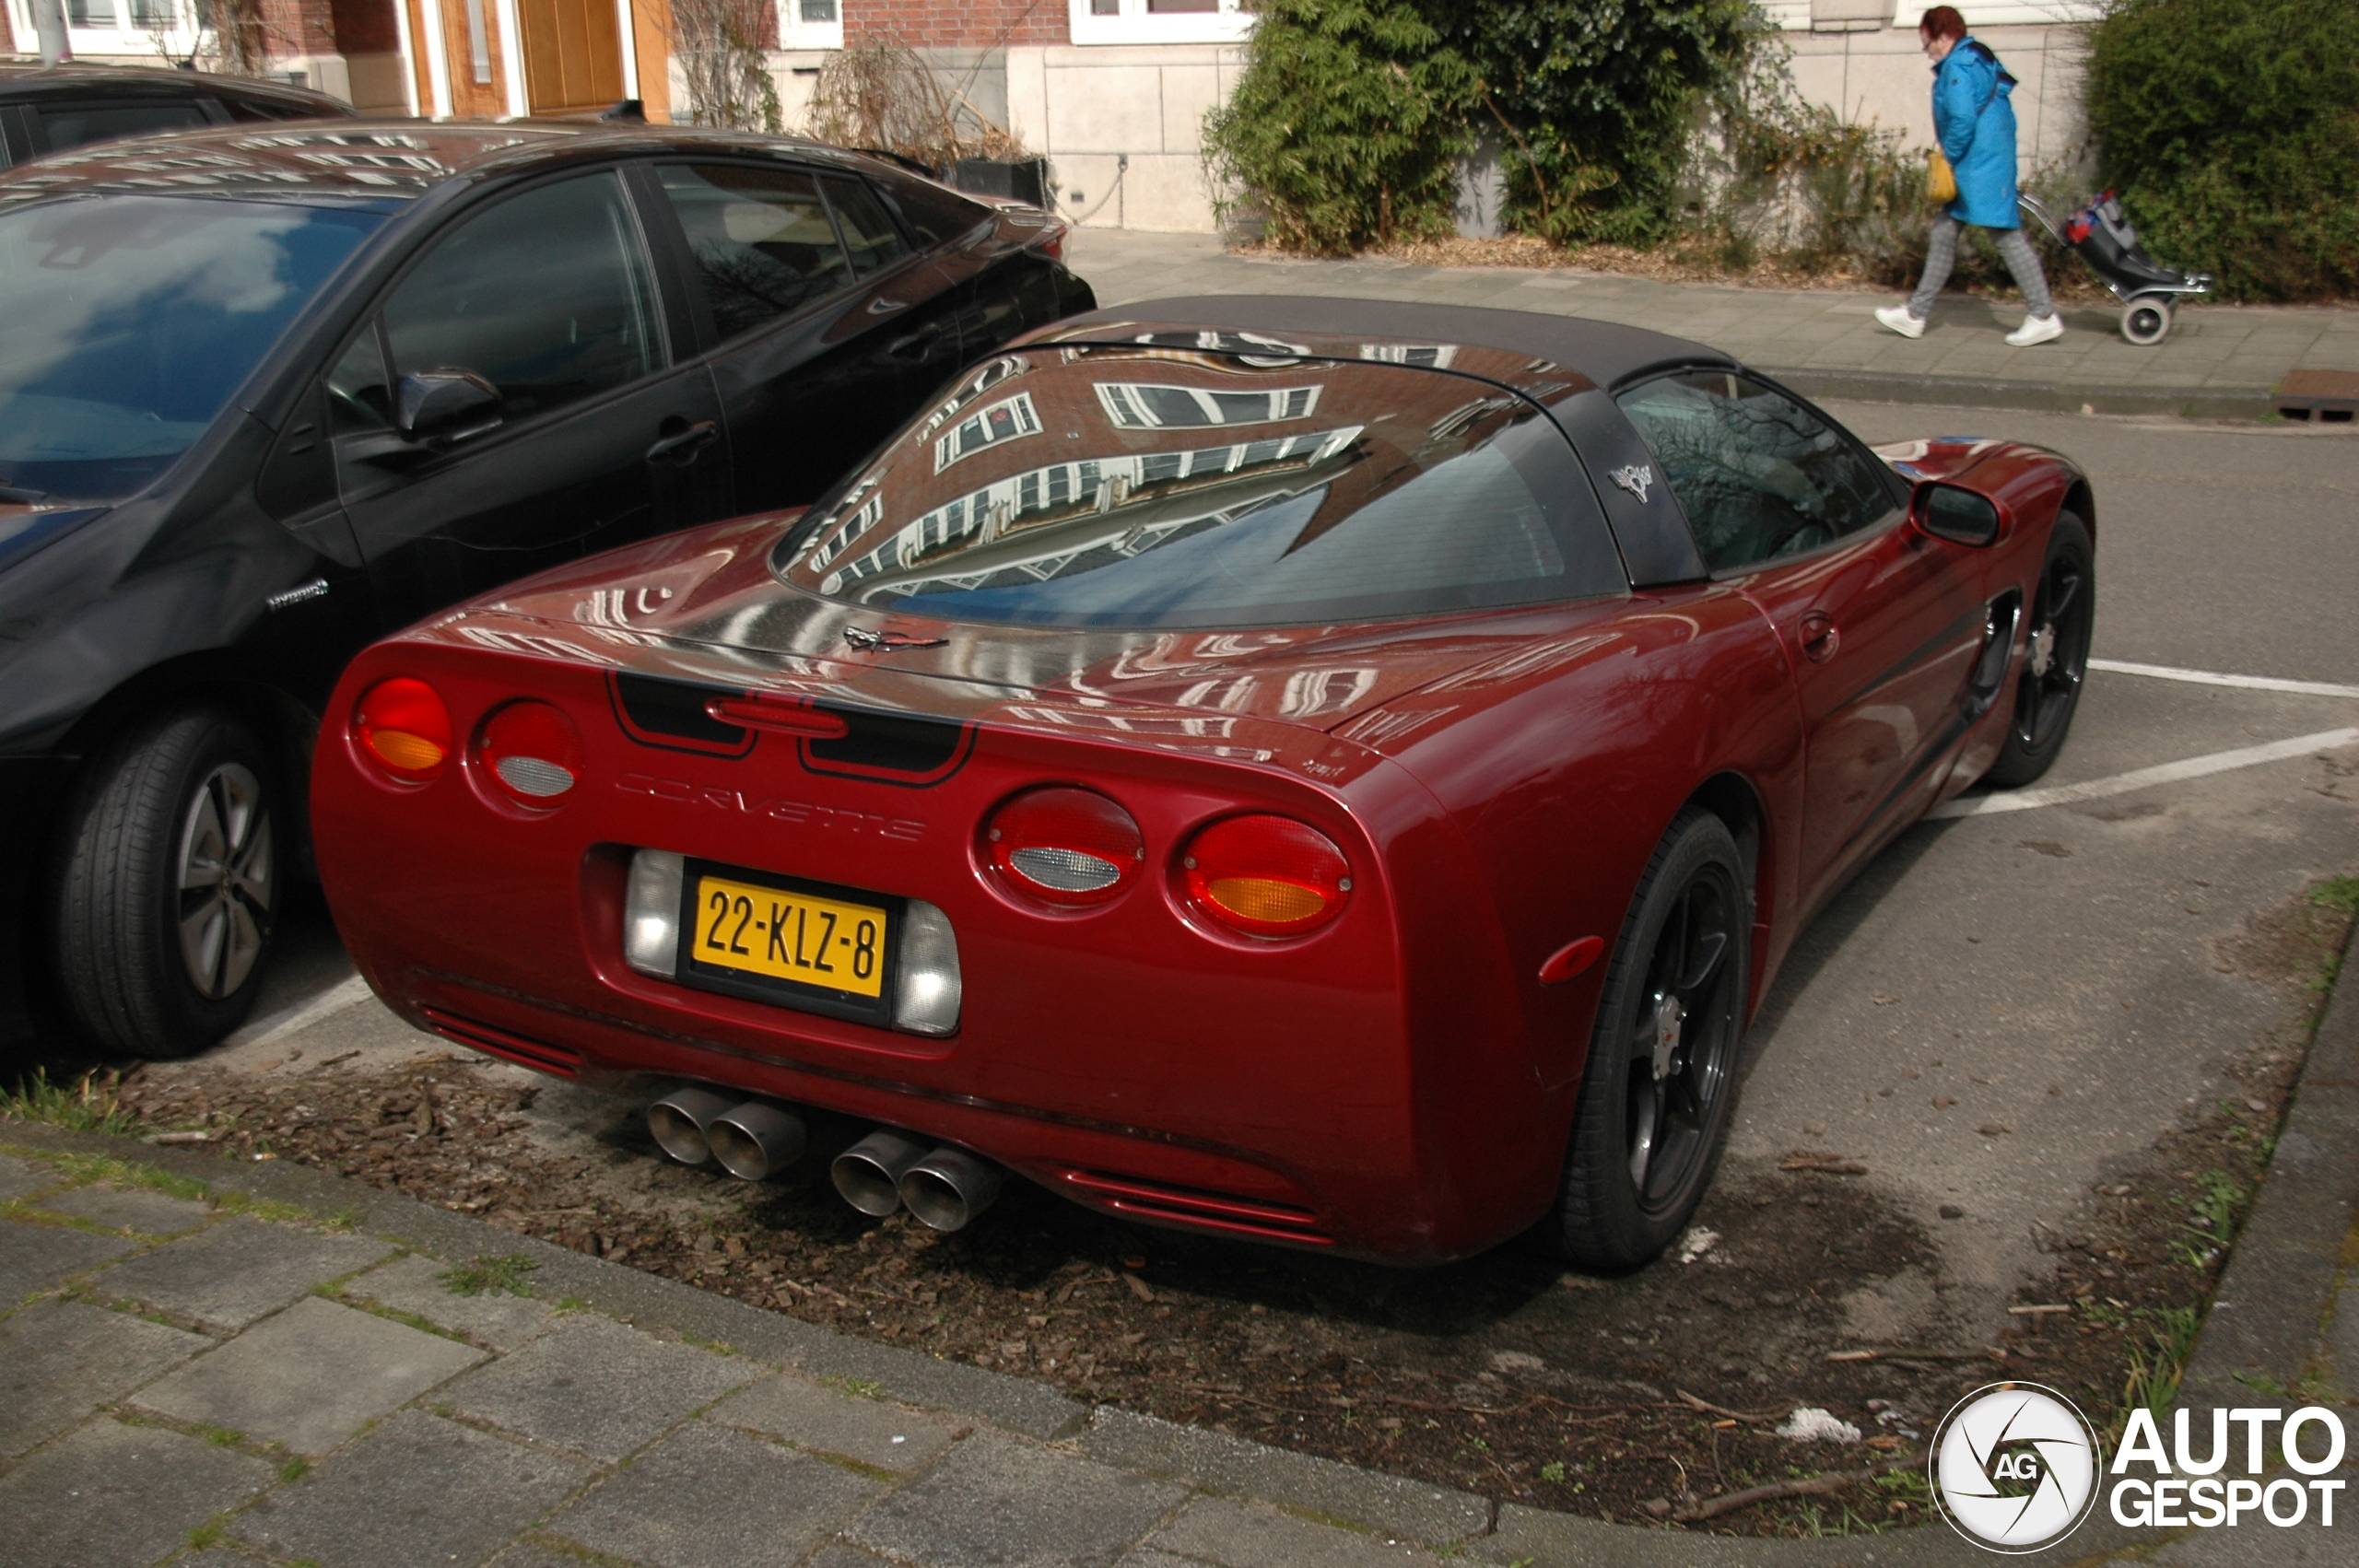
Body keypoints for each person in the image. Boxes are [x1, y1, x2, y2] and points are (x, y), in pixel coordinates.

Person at [1875, 6, 2060, 346]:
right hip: (1988, 160)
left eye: (1927, 44)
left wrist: (1949, 156)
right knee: (1946, 232)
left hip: (1978, 165)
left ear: (1943, 37)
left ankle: (2044, 315)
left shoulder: (1958, 66)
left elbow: (1961, 119)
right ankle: (1915, 313)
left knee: (2005, 236)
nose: (1927, 51)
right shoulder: (1976, 57)